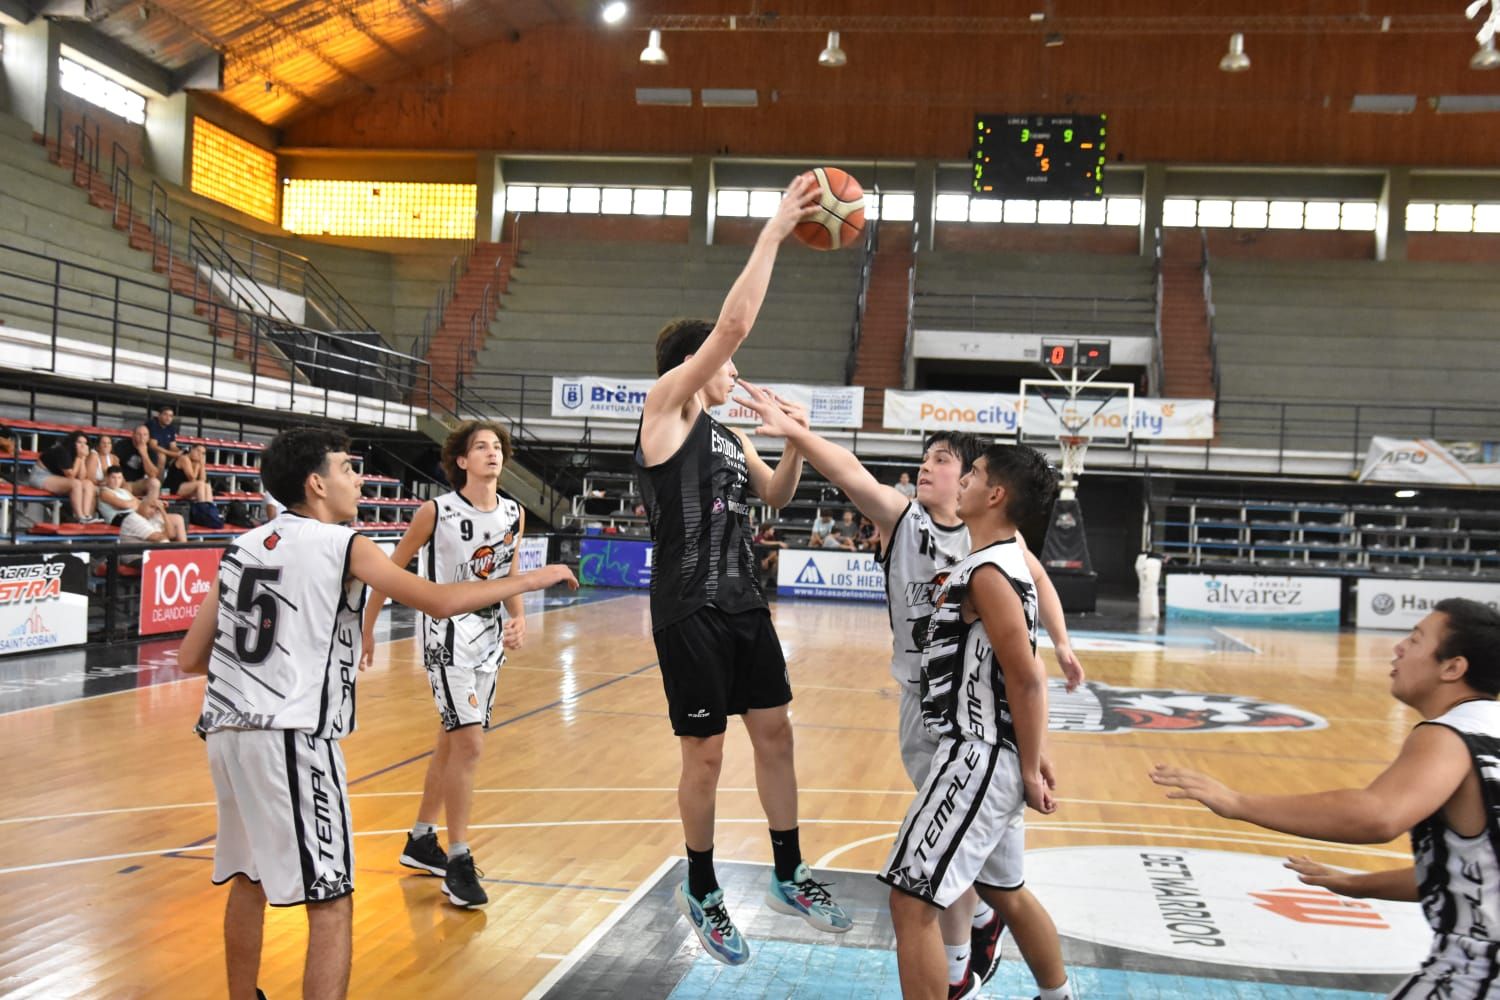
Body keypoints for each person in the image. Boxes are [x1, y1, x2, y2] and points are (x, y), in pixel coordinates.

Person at [179, 427, 577, 1000]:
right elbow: (439, 601)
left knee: (249, 877)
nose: (358, 477)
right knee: (333, 900)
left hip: (224, 731)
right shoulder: (345, 543)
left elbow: (192, 657)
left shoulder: (240, 547)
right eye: (347, 468)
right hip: (291, 735)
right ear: (316, 484)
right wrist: (536, 577)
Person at [734, 384, 1085, 995]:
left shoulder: (993, 560)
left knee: (922, 883)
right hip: (942, 711)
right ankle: (1012, 962)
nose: (928, 466)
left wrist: (1059, 654)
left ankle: (958, 968)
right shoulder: (911, 521)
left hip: (970, 734)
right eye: (927, 457)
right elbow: (843, 468)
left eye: (950, 461)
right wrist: (795, 434)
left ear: (981, 489)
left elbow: (1027, 671)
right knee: (995, 880)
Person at [633, 173, 851, 967]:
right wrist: (773, 232)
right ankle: (702, 884)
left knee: (777, 735)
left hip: (742, 601)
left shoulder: (730, 436)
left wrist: (792, 436)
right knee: (707, 755)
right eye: (723, 360)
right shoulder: (665, 407)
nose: (734, 366)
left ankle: (791, 870)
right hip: (687, 605)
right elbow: (729, 327)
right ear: (695, 364)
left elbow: (775, 498)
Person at [1152, 598, 1500, 998]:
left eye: (1416, 640)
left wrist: (1238, 803)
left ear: (1453, 667)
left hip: (1478, 972)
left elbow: (1378, 815)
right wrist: (1358, 884)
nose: (1399, 647)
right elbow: (1474, 879)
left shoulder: (1448, 735)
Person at [878, 443, 1073, 1000]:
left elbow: (1028, 677)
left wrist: (1031, 766)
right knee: (1005, 889)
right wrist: (1029, 752)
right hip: (996, 751)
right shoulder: (1002, 559)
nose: (961, 480)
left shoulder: (990, 571)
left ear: (995, 495)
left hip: (979, 756)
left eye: (975, 474)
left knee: (911, 897)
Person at [360, 421, 527, 909]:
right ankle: (457, 860)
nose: (492, 454)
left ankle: (420, 840)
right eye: (481, 447)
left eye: (497, 447)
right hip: (446, 632)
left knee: (452, 741)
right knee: (470, 743)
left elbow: (509, 573)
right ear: (461, 461)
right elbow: (389, 572)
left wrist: (517, 619)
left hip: (489, 637)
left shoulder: (514, 513)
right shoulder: (436, 512)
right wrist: (368, 627)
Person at [29, 431, 100, 523]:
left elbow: (82, 477)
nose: (83, 446)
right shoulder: (62, 451)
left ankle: (87, 515)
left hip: (58, 478)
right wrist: (79, 457)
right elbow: (70, 476)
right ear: (72, 443)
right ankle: (80, 516)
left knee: (88, 483)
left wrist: (82, 458)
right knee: (76, 484)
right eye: (79, 442)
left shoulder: (78, 454)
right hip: (41, 476)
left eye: (85, 443)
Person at [118, 489, 188, 544]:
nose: (153, 511)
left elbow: (171, 534)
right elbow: (161, 537)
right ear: (142, 504)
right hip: (137, 557)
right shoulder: (133, 518)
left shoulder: (153, 517)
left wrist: (162, 511)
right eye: (151, 507)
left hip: (151, 555)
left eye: (156, 508)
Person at [120, 425, 163, 498]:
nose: (142, 437)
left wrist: (144, 454)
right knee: (126, 488)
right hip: (121, 481)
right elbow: (114, 464)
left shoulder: (151, 452)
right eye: (139, 434)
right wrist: (122, 481)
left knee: (155, 483)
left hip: (138, 483)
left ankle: (150, 507)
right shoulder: (122, 445)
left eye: (145, 435)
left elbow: (152, 474)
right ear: (133, 435)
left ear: (148, 437)